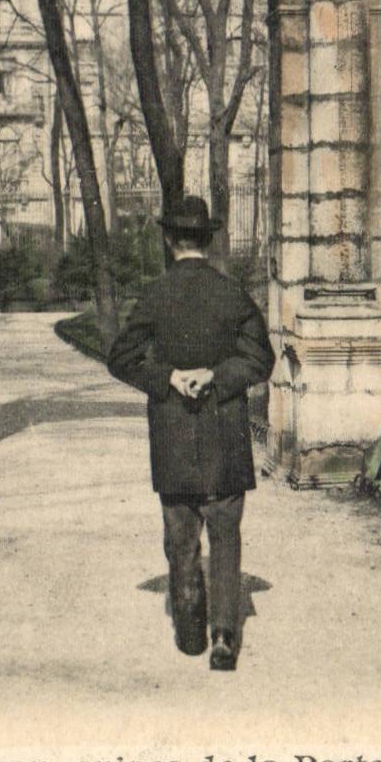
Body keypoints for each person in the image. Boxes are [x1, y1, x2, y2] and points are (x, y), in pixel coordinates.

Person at [106, 196, 274, 671]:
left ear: (167, 239)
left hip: (173, 433)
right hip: (225, 435)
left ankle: (188, 632)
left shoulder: (155, 295)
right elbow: (261, 360)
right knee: (225, 533)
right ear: (208, 239)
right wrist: (216, 375)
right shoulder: (232, 294)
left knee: (181, 536)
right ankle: (224, 635)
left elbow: (121, 358)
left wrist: (168, 378)